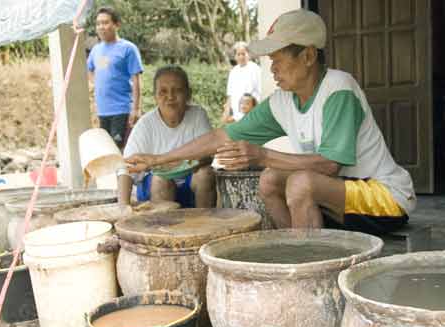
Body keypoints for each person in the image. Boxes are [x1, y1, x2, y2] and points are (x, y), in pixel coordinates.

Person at [125, 9, 416, 234]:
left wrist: (262, 154)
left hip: (385, 199)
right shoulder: (282, 100)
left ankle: (310, 266)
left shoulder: (338, 88)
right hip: (341, 200)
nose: (273, 68)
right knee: (269, 180)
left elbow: (329, 165)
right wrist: (156, 160)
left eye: (277, 59)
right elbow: (220, 137)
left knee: (301, 183)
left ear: (308, 56)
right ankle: (299, 247)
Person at [117, 65, 216, 208]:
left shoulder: (197, 116)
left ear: (188, 94)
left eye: (178, 90)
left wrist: (176, 164)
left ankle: (205, 226)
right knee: (161, 179)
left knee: (205, 174)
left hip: (189, 186)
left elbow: (208, 154)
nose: (170, 97)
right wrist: (123, 206)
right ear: (155, 96)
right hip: (153, 190)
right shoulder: (145, 124)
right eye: (163, 92)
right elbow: (126, 167)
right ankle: (163, 228)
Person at [87, 7, 143, 149]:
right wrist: (96, 87)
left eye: (105, 23)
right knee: (107, 150)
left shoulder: (128, 49)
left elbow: (136, 79)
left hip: (122, 109)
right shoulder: (96, 50)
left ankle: (126, 171)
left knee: (118, 149)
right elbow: (91, 70)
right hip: (103, 111)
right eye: (98, 23)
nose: (101, 27)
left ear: (117, 25)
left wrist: (135, 109)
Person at [222, 41, 261, 124]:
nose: (241, 57)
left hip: (251, 115)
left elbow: (259, 92)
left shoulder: (255, 69)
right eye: (238, 54)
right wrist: (226, 114)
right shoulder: (233, 71)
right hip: (236, 116)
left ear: (248, 54)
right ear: (235, 56)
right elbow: (230, 95)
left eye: (243, 54)